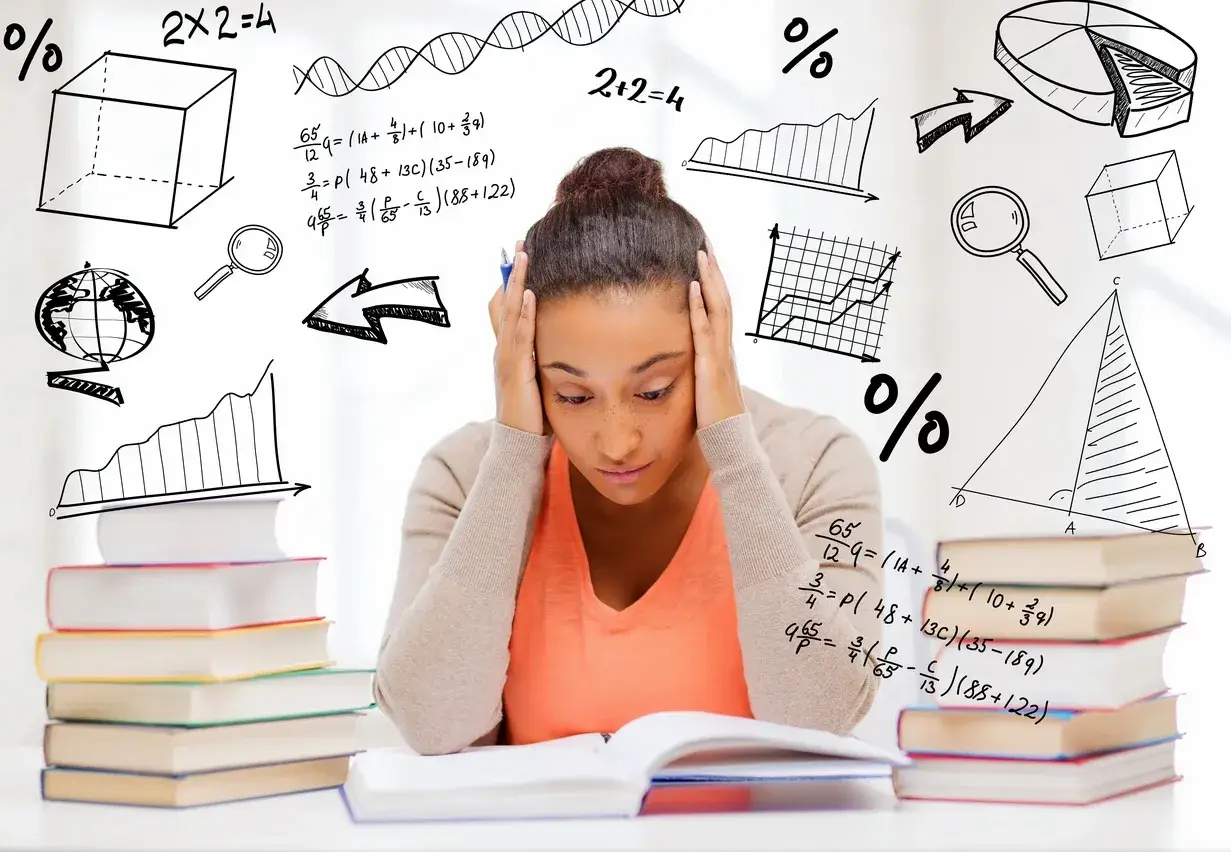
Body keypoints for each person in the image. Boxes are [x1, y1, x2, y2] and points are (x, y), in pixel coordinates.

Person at [375, 147, 885, 756]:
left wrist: (731, 440)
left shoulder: (817, 462)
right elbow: (432, 726)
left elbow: (819, 717)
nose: (617, 444)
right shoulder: (461, 476)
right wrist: (514, 455)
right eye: (572, 394)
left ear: (709, 344)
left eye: (653, 390)